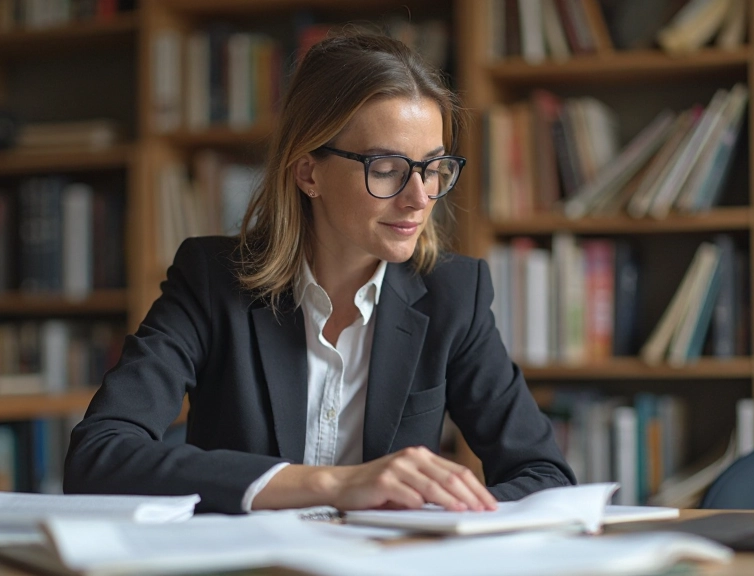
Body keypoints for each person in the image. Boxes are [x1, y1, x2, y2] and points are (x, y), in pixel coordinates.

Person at [64, 32, 574, 514]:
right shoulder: (211, 281)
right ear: (309, 173)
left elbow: (545, 477)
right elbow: (98, 456)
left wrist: (430, 509)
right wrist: (334, 484)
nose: (419, 197)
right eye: (387, 168)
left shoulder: (453, 295)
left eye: (433, 167)